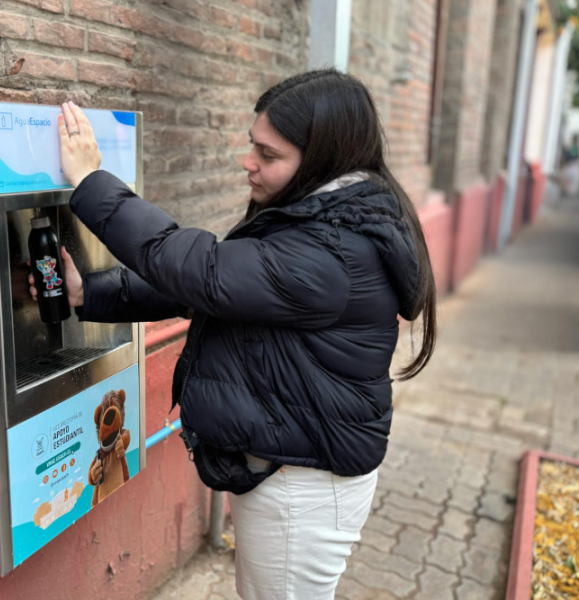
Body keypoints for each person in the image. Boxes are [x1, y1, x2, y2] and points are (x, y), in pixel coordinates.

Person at [29, 69, 436, 600]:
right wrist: (90, 294)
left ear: (320, 162)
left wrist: (91, 182)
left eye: (268, 155)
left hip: (303, 484)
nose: (249, 162)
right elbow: (223, 290)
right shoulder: (326, 222)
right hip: (293, 467)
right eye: (252, 146)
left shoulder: (332, 252)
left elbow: (207, 273)